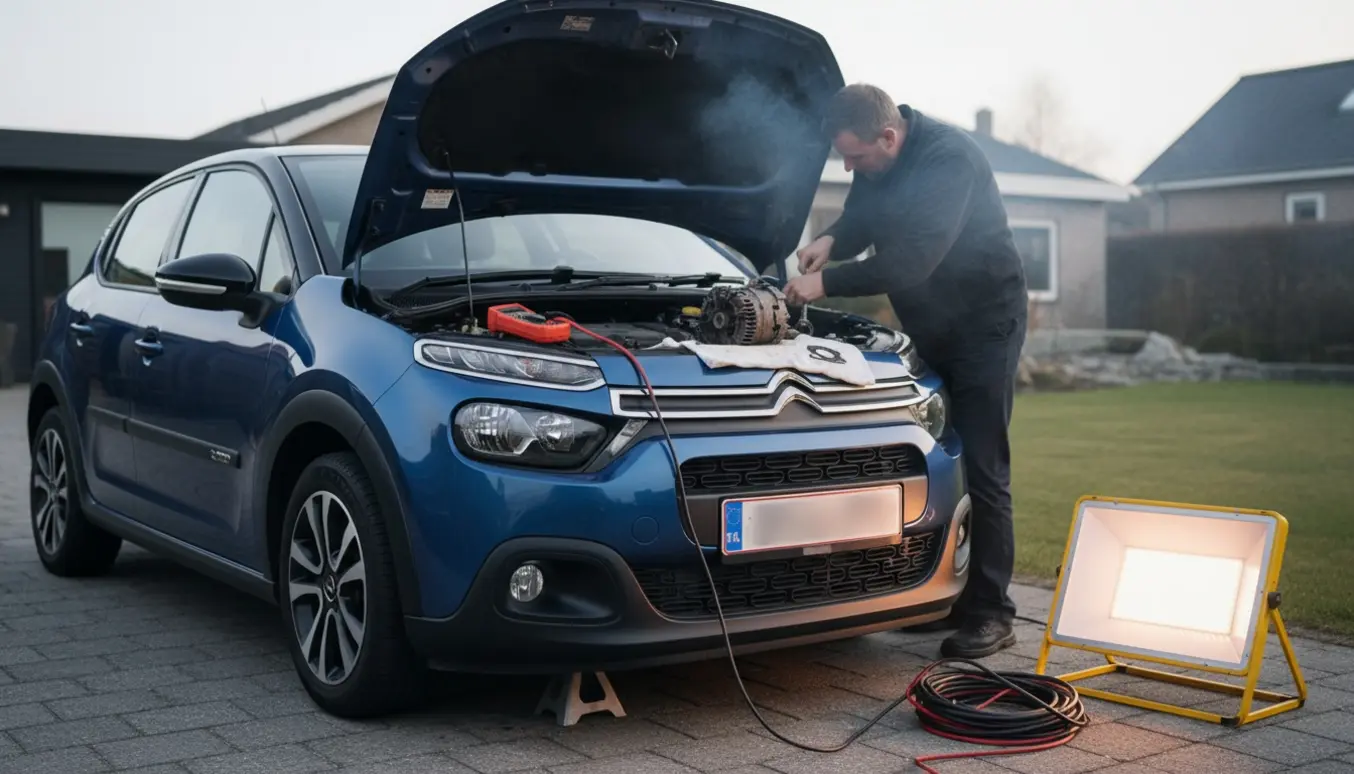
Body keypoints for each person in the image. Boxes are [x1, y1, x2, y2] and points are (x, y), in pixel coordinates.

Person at [784, 83, 1028, 659]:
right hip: (931, 327)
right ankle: (949, 596)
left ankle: (993, 611)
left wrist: (827, 281)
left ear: (888, 137)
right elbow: (864, 212)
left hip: (984, 327)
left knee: (985, 465)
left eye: (856, 156)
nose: (849, 166)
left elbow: (915, 261)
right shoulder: (880, 160)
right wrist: (830, 238)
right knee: (935, 458)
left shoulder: (952, 160)